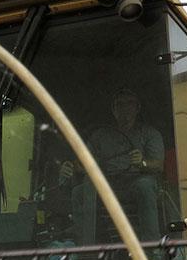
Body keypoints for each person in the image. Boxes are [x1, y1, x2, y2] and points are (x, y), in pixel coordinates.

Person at [61, 88, 169, 242]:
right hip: (108, 184)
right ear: (113, 109)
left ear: (137, 107)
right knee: (79, 192)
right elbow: (84, 161)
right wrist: (71, 167)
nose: (125, 108)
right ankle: (86, 246)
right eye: (120, 104)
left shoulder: (150, 133)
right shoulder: (100, 136)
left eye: (129, 103)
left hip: (136, 181)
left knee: (145, 186)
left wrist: (142, 162)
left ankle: (151, 246)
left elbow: (158, 165)